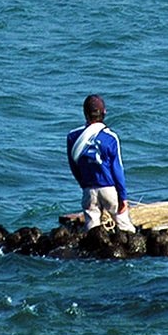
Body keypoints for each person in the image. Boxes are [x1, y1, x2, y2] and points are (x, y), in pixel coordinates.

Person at [67, 94, 133, 232]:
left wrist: (83, 184)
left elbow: (74, 166)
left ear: (85, 113)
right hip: (109, 188)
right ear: (104, 112)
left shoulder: (73, 136)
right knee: (124, 225)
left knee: (92, 230)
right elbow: (117, 170)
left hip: (89, 189)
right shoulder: (111, 137)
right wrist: (123, 197)